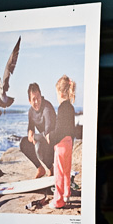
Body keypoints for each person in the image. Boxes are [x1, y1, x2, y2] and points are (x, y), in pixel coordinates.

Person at [46, 75, 76, 209]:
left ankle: (58, 201)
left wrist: (50, 137)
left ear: (61, 93)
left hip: (61, 145)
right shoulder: (71, 107)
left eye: (57, 94)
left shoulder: (62, 108)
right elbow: (71, 129)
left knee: (59, 173)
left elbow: (59, 130)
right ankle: (66, 194)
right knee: (67, 171)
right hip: (69, 143)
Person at [19, 82, 56, 179]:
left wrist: (35, 137)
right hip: (43, 143)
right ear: (29, 101)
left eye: (38, 97)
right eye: (33, 99)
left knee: (38, 146)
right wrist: (30, 132)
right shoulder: (31, 111)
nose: (36, 102)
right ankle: (40, 169)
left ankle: (51, 168)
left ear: (41, 95)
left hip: (53, 145)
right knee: (23, 143)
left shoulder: (47, 108)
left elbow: (48, 129)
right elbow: (31, 127)